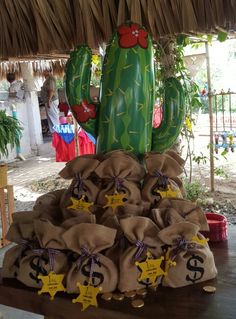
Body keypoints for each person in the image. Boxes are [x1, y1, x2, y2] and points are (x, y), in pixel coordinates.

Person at [41, 68, 59, 134]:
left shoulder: (51, 79)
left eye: (44, 70)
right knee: (50, 117)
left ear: (48, 71)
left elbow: (51, 90)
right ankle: (54, 132)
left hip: (51, 100)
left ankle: (57, 132)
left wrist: (48, 101)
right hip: (49, 100)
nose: (43, 72)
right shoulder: (48, 79)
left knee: (53, 116)